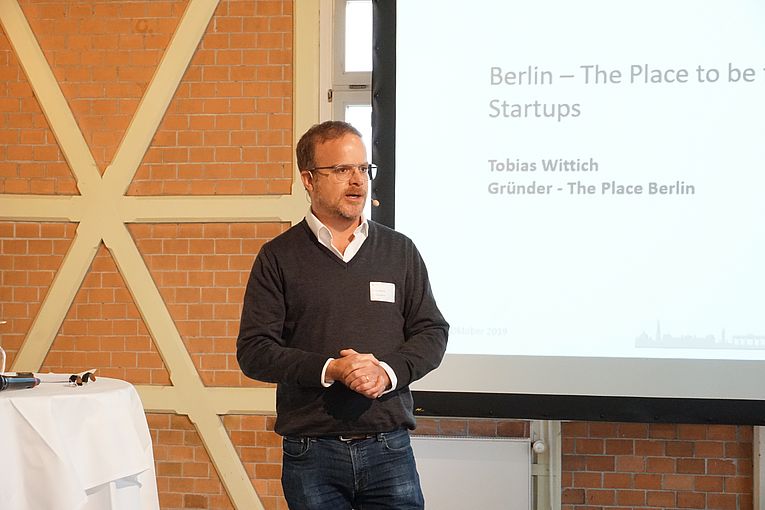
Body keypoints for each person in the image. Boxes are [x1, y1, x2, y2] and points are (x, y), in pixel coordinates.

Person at [236, 120, 449, 509]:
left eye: (363, 168)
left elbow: (432, 332)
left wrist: (386, 372)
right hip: (312, 453)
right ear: (308, 179)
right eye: (341, 170)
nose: (357, 181)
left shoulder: (399, 251)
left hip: (389, 448)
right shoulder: (278, 257)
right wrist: (331, 369)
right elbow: (254, 351)